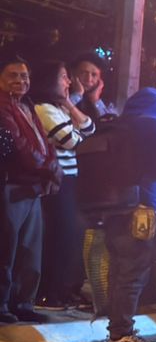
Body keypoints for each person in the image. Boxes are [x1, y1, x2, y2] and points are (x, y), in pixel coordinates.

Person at [103, 87, 156, 342]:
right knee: (134, 272)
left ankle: (117, 332)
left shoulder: (116, 125)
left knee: (119, 269)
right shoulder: (153, 123)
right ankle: (121, 335)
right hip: (142, 211)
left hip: (111, 207)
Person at [30, 60, 95, 310]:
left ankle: (62, 289)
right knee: (60, 235)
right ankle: (49, 292)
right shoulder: (43, 109)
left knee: (70, 235)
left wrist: (69, 103)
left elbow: (89, 129)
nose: (69, 82)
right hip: (58, 183)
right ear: (50, 82)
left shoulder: (59, 108)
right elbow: (74, 141)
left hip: (70, 180)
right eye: (64, 77)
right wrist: (72, 117)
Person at [0, 60, 60, 324]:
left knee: (29, 249)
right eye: (13, 75)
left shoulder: (26, 106)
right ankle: (2, 305)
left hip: (32, 186)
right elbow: (18, 147)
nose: (20, 80)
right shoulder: (2, 107)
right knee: (6, 248)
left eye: (24, 75)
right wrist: (49, 168)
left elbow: (46, 143)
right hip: (12, 185)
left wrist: (53, 166)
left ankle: (23, 303)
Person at [69, 55, 115, 120]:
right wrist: (77, 95)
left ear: (100, 79)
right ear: (73, 74)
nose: (88, 79)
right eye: (84, 73)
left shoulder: (107, 102)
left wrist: (95, 100)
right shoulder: (63, 95)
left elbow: (111, 124)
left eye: (94, 75)